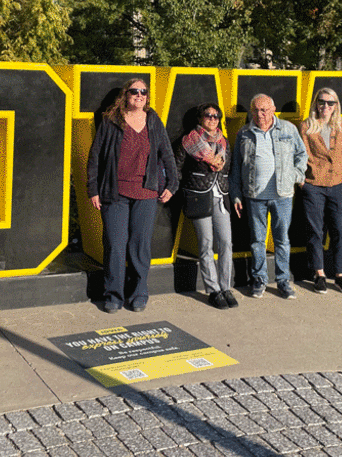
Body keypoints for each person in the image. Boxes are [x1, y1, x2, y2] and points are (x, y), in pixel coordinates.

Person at [87, 79, 177, 313]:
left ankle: (139, 293)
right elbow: (95, 155)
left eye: (143, 92)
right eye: (134, 91)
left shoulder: (153, 120)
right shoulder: (111, 120)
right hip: (114, 192)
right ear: (125, 95)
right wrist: (93, 189)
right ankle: (114, 295)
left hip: (146, 192)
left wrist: (172, 183)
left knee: (139, 246)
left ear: (147, 96)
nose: (139, 95)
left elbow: (166, 153)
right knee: (115, 246)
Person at [229, 94, 307, 300]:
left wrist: (296, 176)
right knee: (257, 240)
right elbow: (236, 166)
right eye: (255, 110)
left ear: (273, 110)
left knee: (282, 240)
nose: (259, 114)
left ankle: (282, 281)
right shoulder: (244, 133)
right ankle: (259, 279)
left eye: (264, 110)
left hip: (282, 195)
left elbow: (302, 155)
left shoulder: (288, 129)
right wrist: (236, 195)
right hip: (254, 195)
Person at [175, 103, 237, 309]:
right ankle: (213, 290)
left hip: (221, 196)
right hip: (199, 196)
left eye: (216, 116)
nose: (212, 119)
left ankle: (226, 287)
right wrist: (180, 189)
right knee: (206, 244)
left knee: (226, 242)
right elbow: (177, 167)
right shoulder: (189, 141)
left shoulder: (224, 142)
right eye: (208, 115)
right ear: (200, 118)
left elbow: (229, 169)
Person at [298, 88, 342, 294]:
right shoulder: (306, 126)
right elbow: (301, 153)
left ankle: (340, 275)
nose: (326, 107)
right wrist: (303, 181)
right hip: (314, 184)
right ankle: (319, 274)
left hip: (338, 183)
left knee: (340, 230)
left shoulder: (341, 125)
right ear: (316, 103)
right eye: (322, 102)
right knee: (315, 231)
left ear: (336, 105)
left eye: (331, 103)